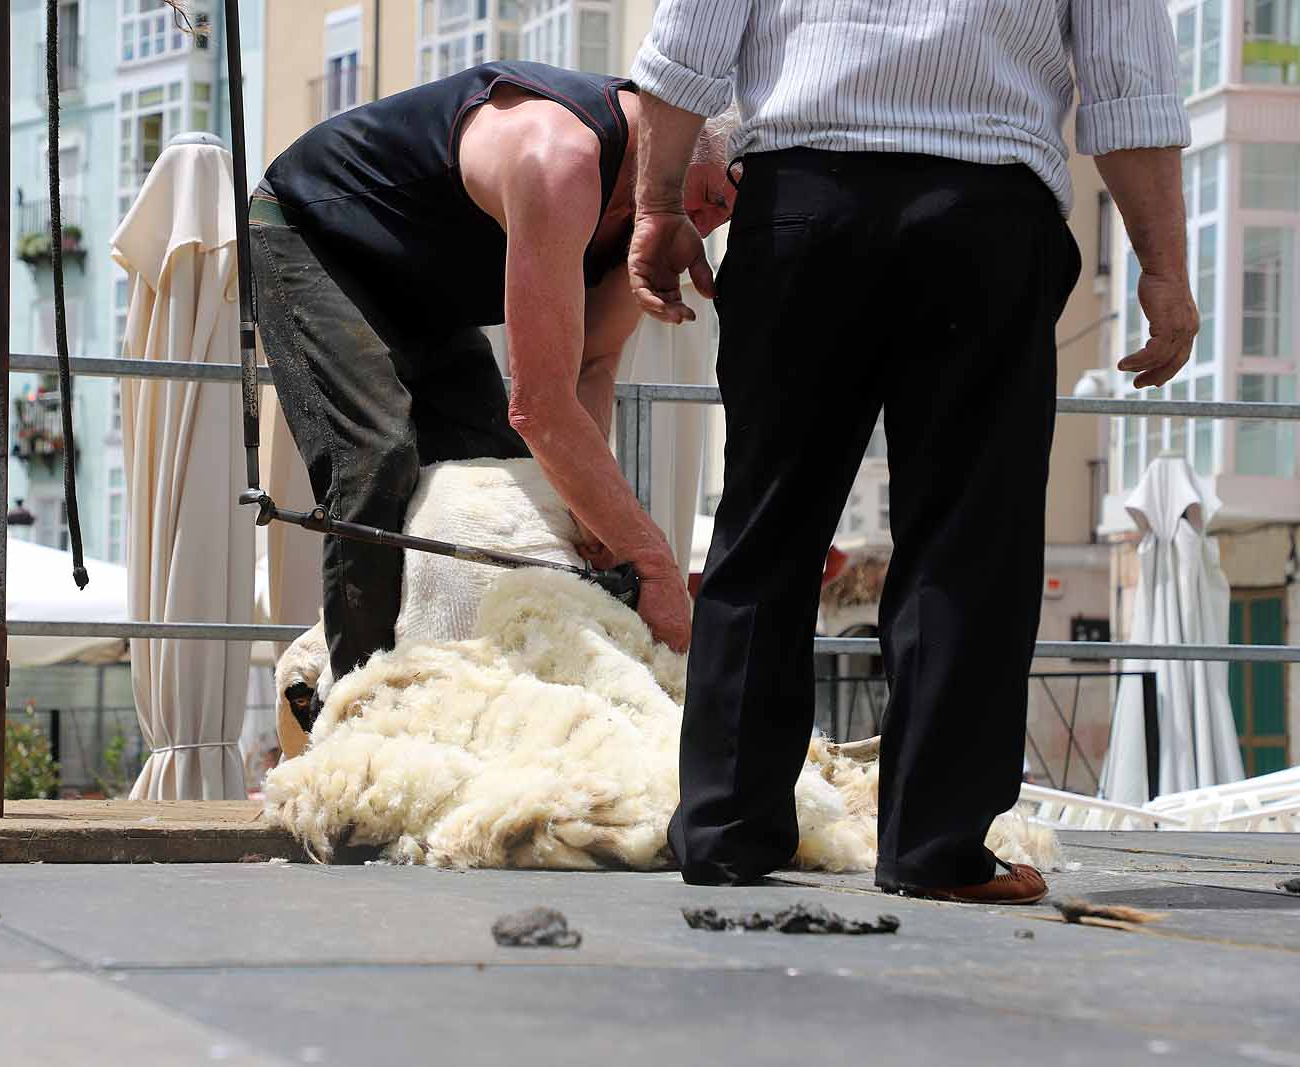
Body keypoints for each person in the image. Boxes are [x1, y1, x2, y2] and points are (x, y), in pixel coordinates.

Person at [629, 2, 1196, 901]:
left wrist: (657, 204)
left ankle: (725, 831)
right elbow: (1131, 87)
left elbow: (684, 48)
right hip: (984, 214)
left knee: (766, 526)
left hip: (802, 205)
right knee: (968, 542)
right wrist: (1162, 269)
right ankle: (936, 848)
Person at [250, 61, 736, 695]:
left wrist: (594, 518)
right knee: (376, 458)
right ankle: (357, 709)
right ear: (679, 141)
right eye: (713, 199)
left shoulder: (656, 202)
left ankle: (468, 697)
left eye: (725, 219)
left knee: (512, 488)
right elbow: (539, 404)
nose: (704, 224)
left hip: (421, 289)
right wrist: (652, 563)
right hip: (313, 236)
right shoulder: (556, 154)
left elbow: (591, 365)